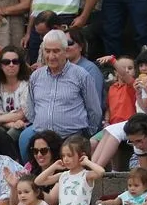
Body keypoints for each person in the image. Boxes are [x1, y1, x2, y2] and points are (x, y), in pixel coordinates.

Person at [22, 29, 101, 160]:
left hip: (71, 141)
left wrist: (86, 135)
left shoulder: (81, 75)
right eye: (47, 51)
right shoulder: (36, 76)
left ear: (65, 51)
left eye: (56, 51)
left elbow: (94, 110)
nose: (51, 56)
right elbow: (31, 109)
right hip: (42, 143)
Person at [34, 134, 105, 205]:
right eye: (63, 156)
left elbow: (101, 172)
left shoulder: (86, 175)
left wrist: (87, 162)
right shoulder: (63, 176)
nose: (65, 159)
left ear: (81, 156)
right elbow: (38, 181)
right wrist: (53, 166)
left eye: (70, 155)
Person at [0, 45, 31, 146]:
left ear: (20, 65)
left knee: (11, 134)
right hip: (7, 125)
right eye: (6, 62)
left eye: (15, 61)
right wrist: (11, 124)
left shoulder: (27, 84)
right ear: (0, 65)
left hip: (25, 126)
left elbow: (22, 114)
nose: (11, 65)